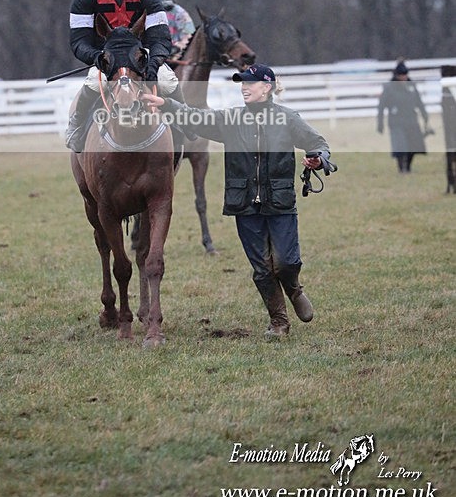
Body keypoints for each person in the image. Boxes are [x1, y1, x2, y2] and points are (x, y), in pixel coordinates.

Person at [142, 63, 333, 340]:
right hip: (244, 204)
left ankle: (294, 289)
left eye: (250, 83)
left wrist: (318, 158)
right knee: (262, 268)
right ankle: (278, 322)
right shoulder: (230, 119)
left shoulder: (288, 118)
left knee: (286, 262)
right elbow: (195, 118)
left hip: (279, 203)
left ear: (266, 88)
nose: (243, 87)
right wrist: (167, 104)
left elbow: (318, 142)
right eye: (241, 83)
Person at [66, 0, 181, 152]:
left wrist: (154, 64)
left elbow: (160, 39)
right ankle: (77, 126)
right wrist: (95, 57)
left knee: (169, 82)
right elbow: (78, 41)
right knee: (91, 84)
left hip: (140, 56)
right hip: (107, 59)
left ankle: (184, 122)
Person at [377, 59, 431, 173]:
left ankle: (408, 167)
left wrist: (425, 115)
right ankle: (402, 168)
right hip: (396, 121)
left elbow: (419, 102)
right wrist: (380, 123)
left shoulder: (411, 86)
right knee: (401, 146)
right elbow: (381, 106)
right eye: (401, 75)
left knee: (413, 145)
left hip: (411, 120)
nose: (404, 78)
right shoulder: (389, 88)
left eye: (405, 75)